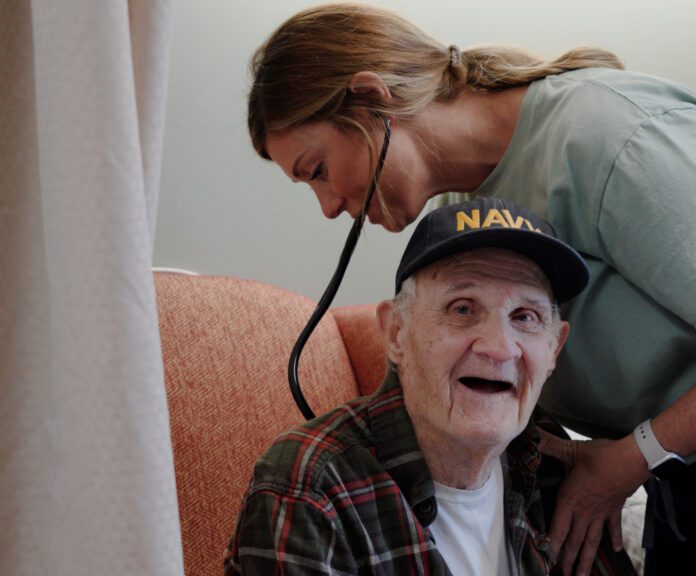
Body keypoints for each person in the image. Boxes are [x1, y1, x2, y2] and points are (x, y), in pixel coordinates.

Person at [245, 4, 696, 575]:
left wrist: (627, 460)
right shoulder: (466, 211)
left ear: (371, 98)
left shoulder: (602, 129)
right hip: (692, 470)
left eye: (316, 169)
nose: (330, 206)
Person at [225, 198, 636, 575]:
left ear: (554, 348)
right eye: (463, 308)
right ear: (396, 332)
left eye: (525, 317)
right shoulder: (311, 490)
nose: (499, 348)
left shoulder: (554, 471)